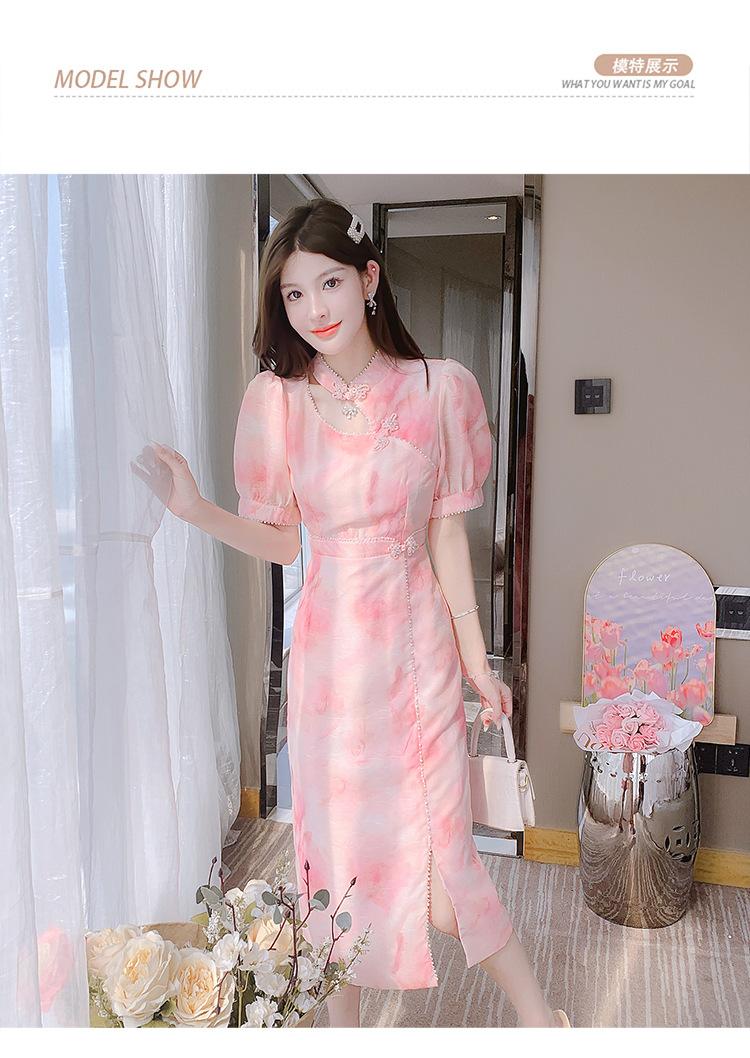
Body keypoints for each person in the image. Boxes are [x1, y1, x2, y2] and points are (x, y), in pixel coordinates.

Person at [148, 197, 570, 1029]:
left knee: (446, 868)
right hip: (330, 668)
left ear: (369, 279)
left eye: (329, 283)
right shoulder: (277, 403)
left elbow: (446, 534)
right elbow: (282, 545)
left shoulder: (437, 389)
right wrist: (195, 511)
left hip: (416, 656)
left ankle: (539, 1019)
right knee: (332, 866)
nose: (314, 308)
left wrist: (478, 663)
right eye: (294, 294)